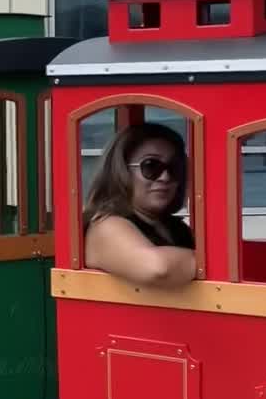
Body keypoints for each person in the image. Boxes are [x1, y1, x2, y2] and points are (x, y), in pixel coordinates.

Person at [83, 122, 197, 288]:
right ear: (122, 170)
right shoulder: (105, 225)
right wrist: (216, 261)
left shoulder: (175, 227)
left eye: (174, 168)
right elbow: (158, 268)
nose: (165, 177)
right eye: (151, 166)